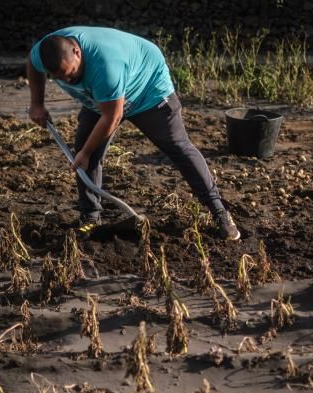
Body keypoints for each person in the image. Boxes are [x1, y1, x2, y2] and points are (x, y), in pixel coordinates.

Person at [26, 26, 240, 241]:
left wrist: (86, 152)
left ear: (77, 52)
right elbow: (33, 66)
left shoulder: (106, 65)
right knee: (85, 155)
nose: (68, 81)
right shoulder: (42, 53)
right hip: (101, 99)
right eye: (59, 77)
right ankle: (90, 217)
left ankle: (220, 212)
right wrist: (37, 104)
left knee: (178, 147)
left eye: (70, 73)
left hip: (148, 90)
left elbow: (112, 116)